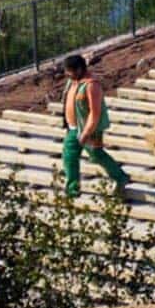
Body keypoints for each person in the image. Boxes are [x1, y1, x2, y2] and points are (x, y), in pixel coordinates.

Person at [61, 54, 129, 199]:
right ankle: (72, 189)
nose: (67, 74)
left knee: (97, 155)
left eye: (70, 71)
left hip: (90, 130)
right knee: (69, 157)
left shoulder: (92, 85)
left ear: (79, 70)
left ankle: (120, 177)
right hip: (73, 129)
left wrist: (86, 132)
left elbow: (95, 113)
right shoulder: (72, 82)